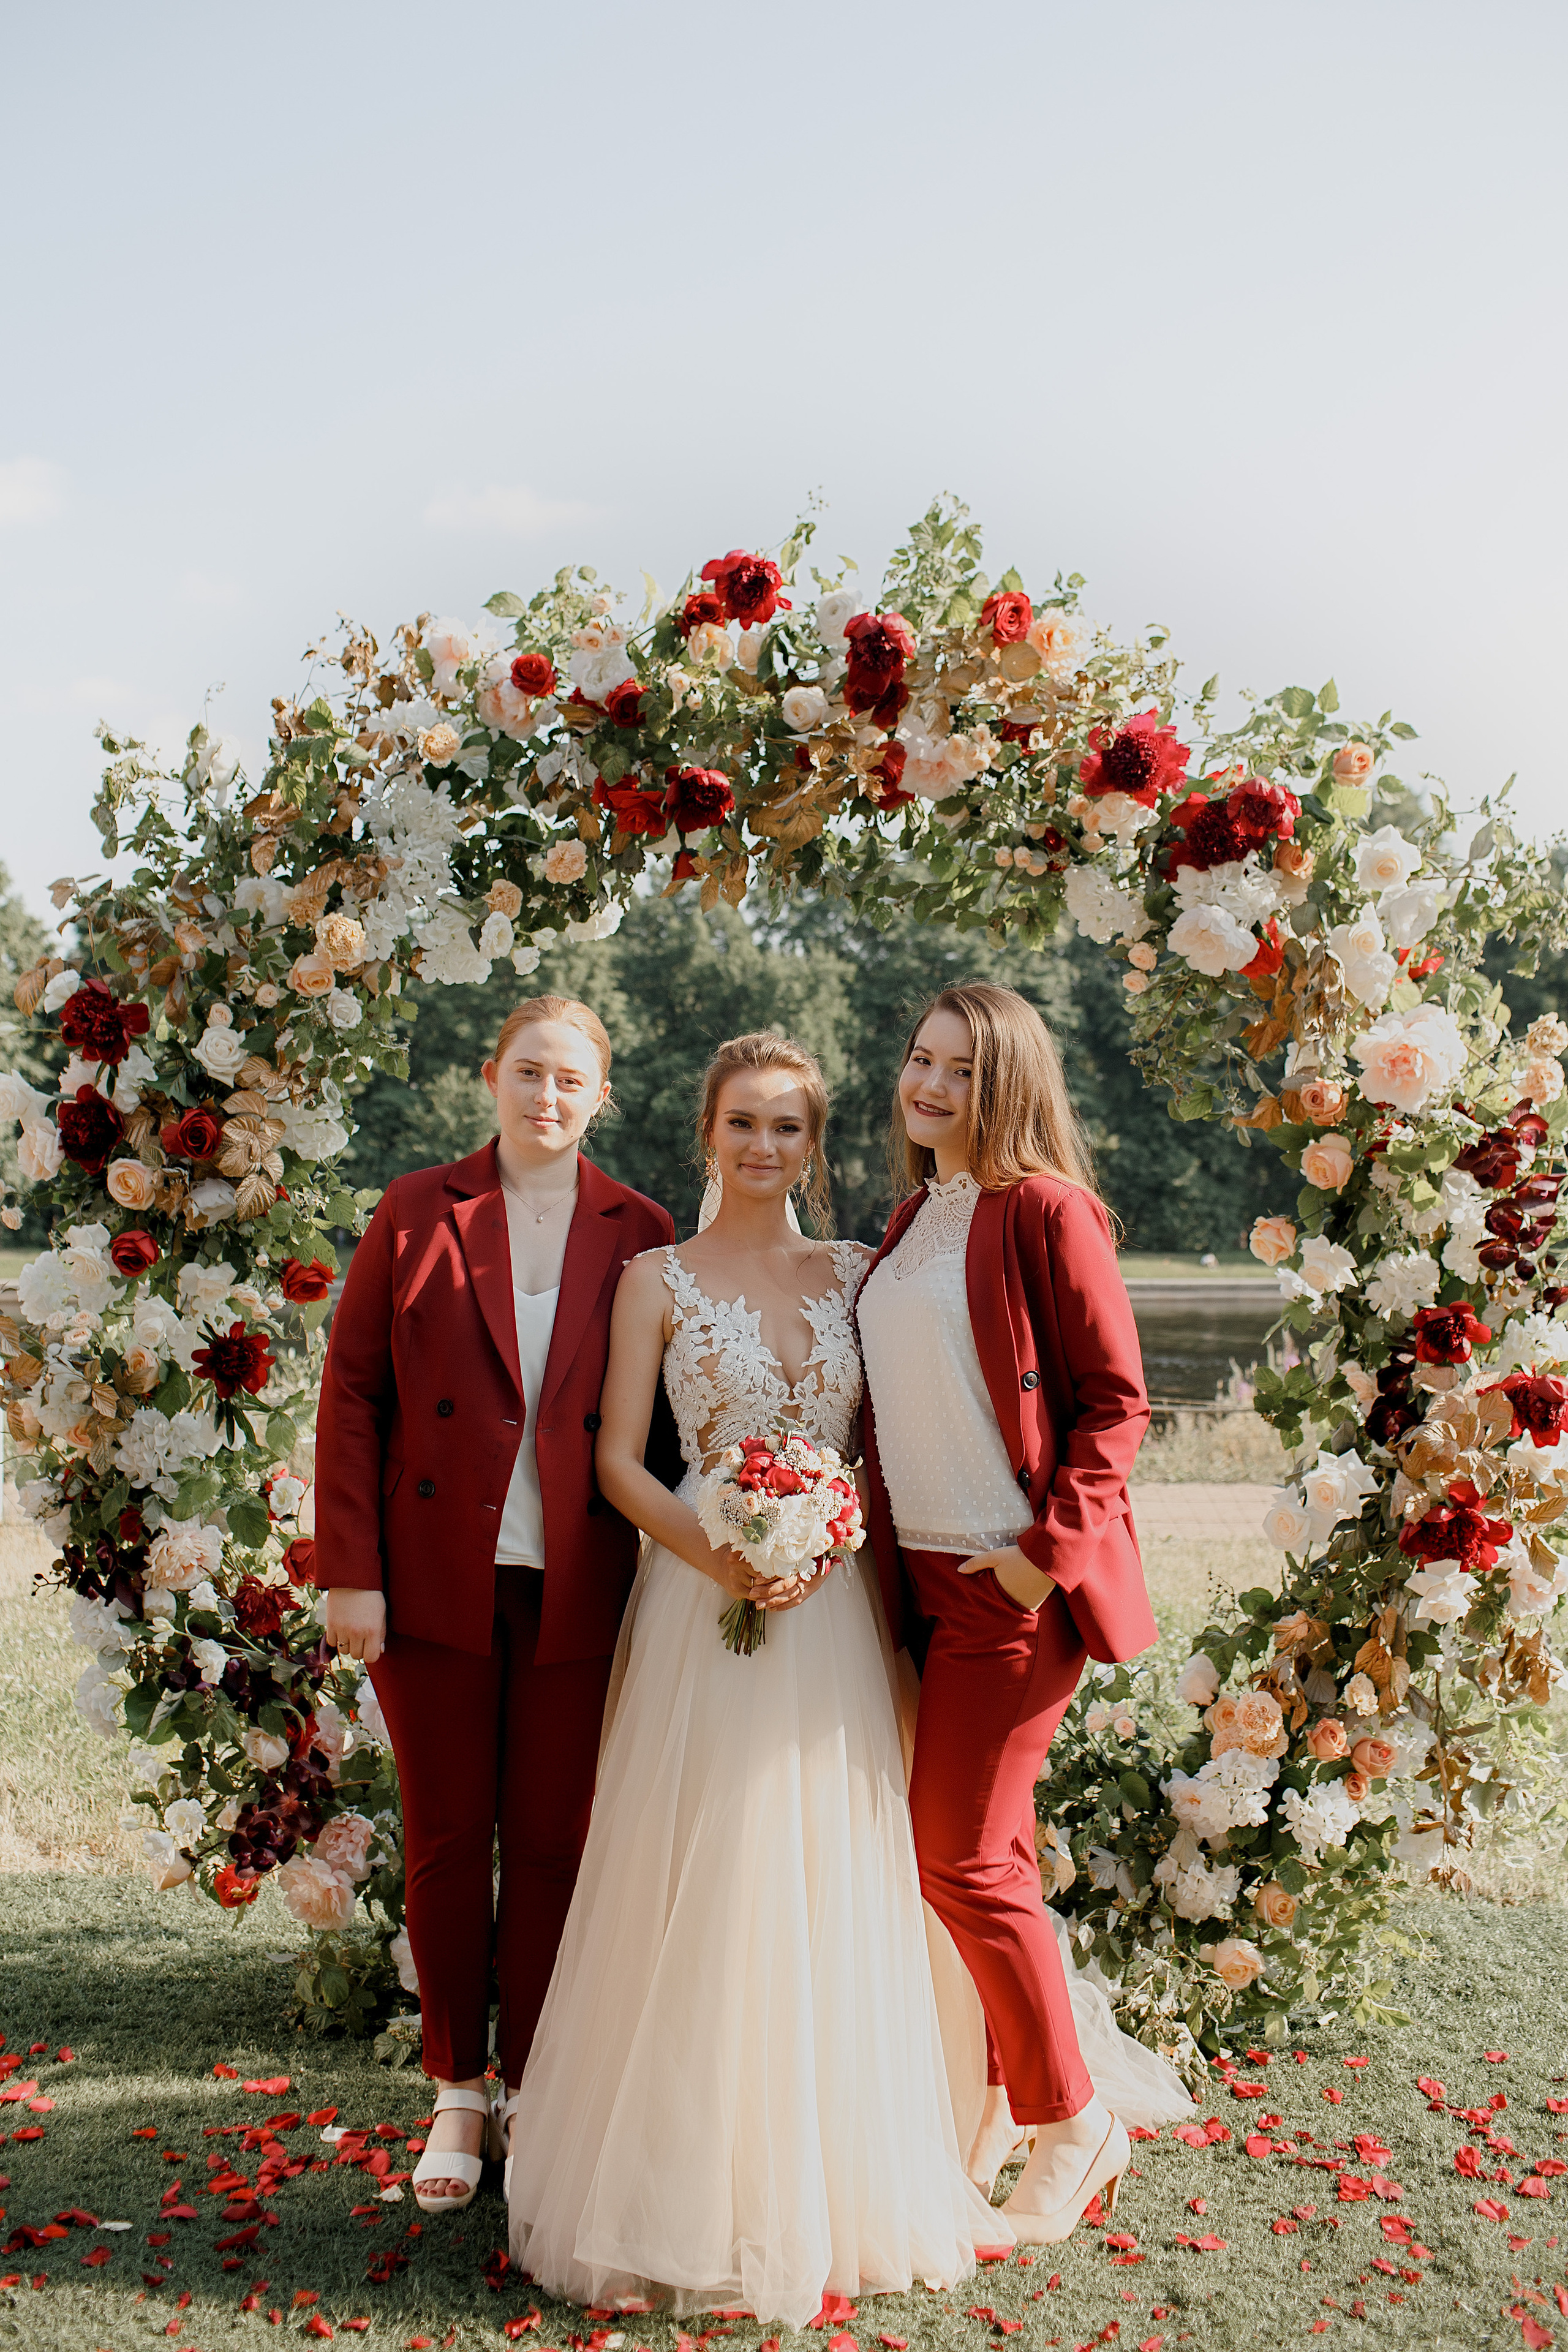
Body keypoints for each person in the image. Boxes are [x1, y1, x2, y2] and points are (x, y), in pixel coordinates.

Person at [505, 1032, 1004, 2325]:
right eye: (742, 1123)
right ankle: (674, 2185)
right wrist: (720, 1553)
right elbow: (619, 1461)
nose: (763, 1146)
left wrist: (835, 1539)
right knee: (707, 1867)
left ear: (815, 1143)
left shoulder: (859, 1273)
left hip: (836, 1609)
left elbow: (905, 1432)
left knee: (828, 1863)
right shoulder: (654, 1280)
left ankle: (829, 2174)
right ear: (707, 1133)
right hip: (702, 1595)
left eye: (788, 1126)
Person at [314, 995, 674, 2212]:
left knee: (557, 1844)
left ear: (601, 1096)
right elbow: (353, 1392)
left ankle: (532, 2083)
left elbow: (662, 1419)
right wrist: (351, 1571)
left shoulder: (642, 1228)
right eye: (529, 1072)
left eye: (571, 1079)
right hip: (429, 1580)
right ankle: (456, 2092)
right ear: (490, 1076)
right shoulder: (417, 1208)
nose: (547, 1096)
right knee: (447, 1840)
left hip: (579, 1580)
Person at [857, 981, 1158, 2245]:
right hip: (916, 1584)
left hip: (1006, 1588)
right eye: (921, 1060)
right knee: (998, 1857)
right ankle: (993, 2118)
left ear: (1009, 1085)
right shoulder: (909, 1218)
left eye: (963, 1070)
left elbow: (1117, 1403)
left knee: (960, 1861)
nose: (930, 1086)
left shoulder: (1046, 1209)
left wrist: (1044, 1558)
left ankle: (1073, 2123)